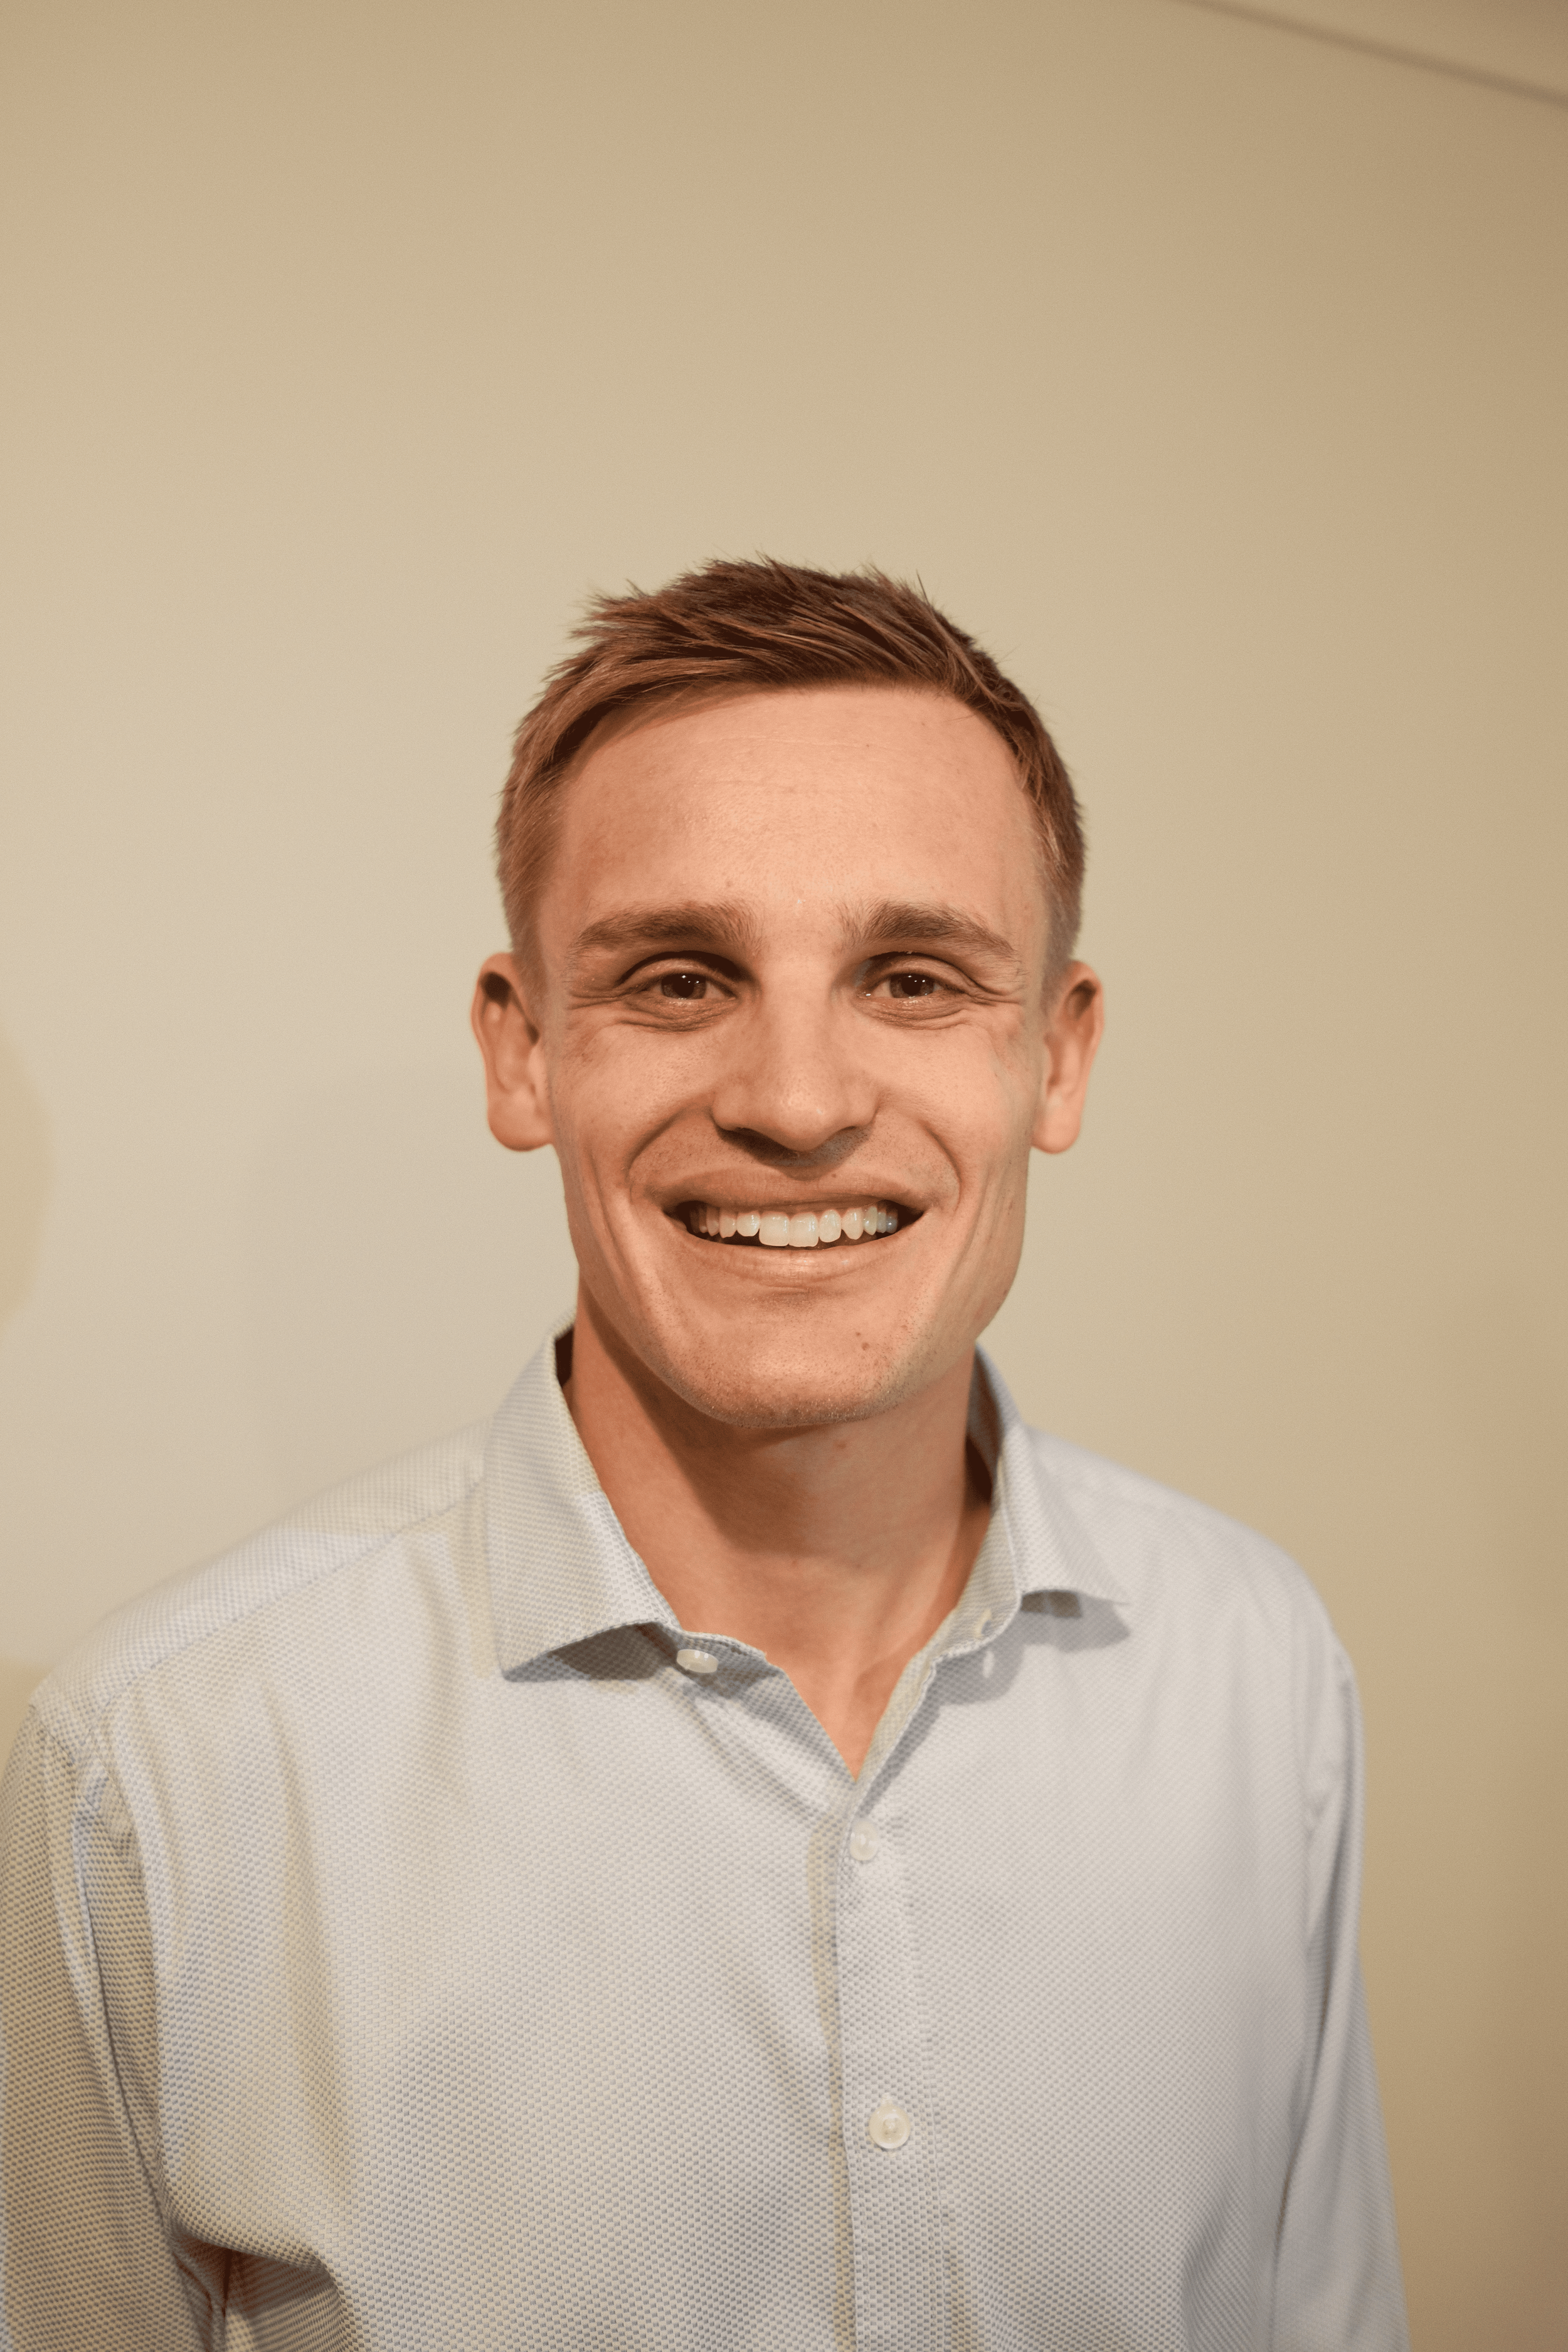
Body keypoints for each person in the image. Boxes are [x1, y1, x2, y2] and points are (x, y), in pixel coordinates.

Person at [0, 559, 1407, 2349]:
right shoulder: (158, 1778)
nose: (797, 1102)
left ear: (1057, 1059)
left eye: (913, 978)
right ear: (524, 1053)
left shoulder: (1251, 1668)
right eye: (679, 978)